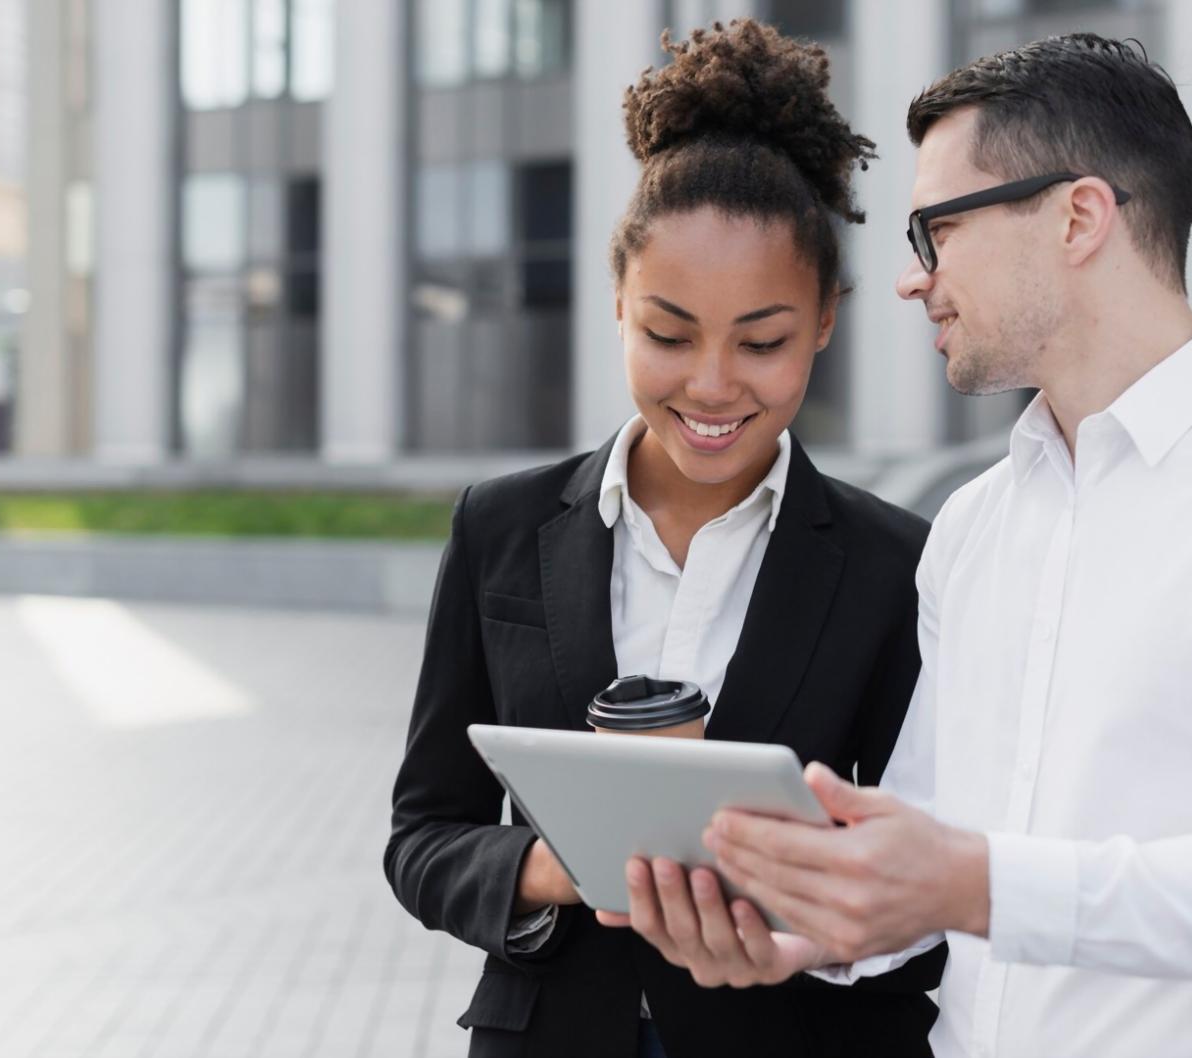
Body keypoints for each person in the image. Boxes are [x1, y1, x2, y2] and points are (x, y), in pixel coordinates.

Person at [603, 33, 1192, 1058]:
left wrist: (976, 882)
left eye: (937, 230)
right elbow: (926, 842)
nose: (912, 280)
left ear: (1078, 217)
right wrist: (801, 926)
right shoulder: (973, 524)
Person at [384, 20, 944, 1058]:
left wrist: (799, 898)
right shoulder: (499, 528)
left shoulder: (897, 566)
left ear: (825, 321)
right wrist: (558, 865)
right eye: (668, 334)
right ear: (618, 307)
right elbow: (422, 837)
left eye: (763, 340)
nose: (712, 385)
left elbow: (924, 882)